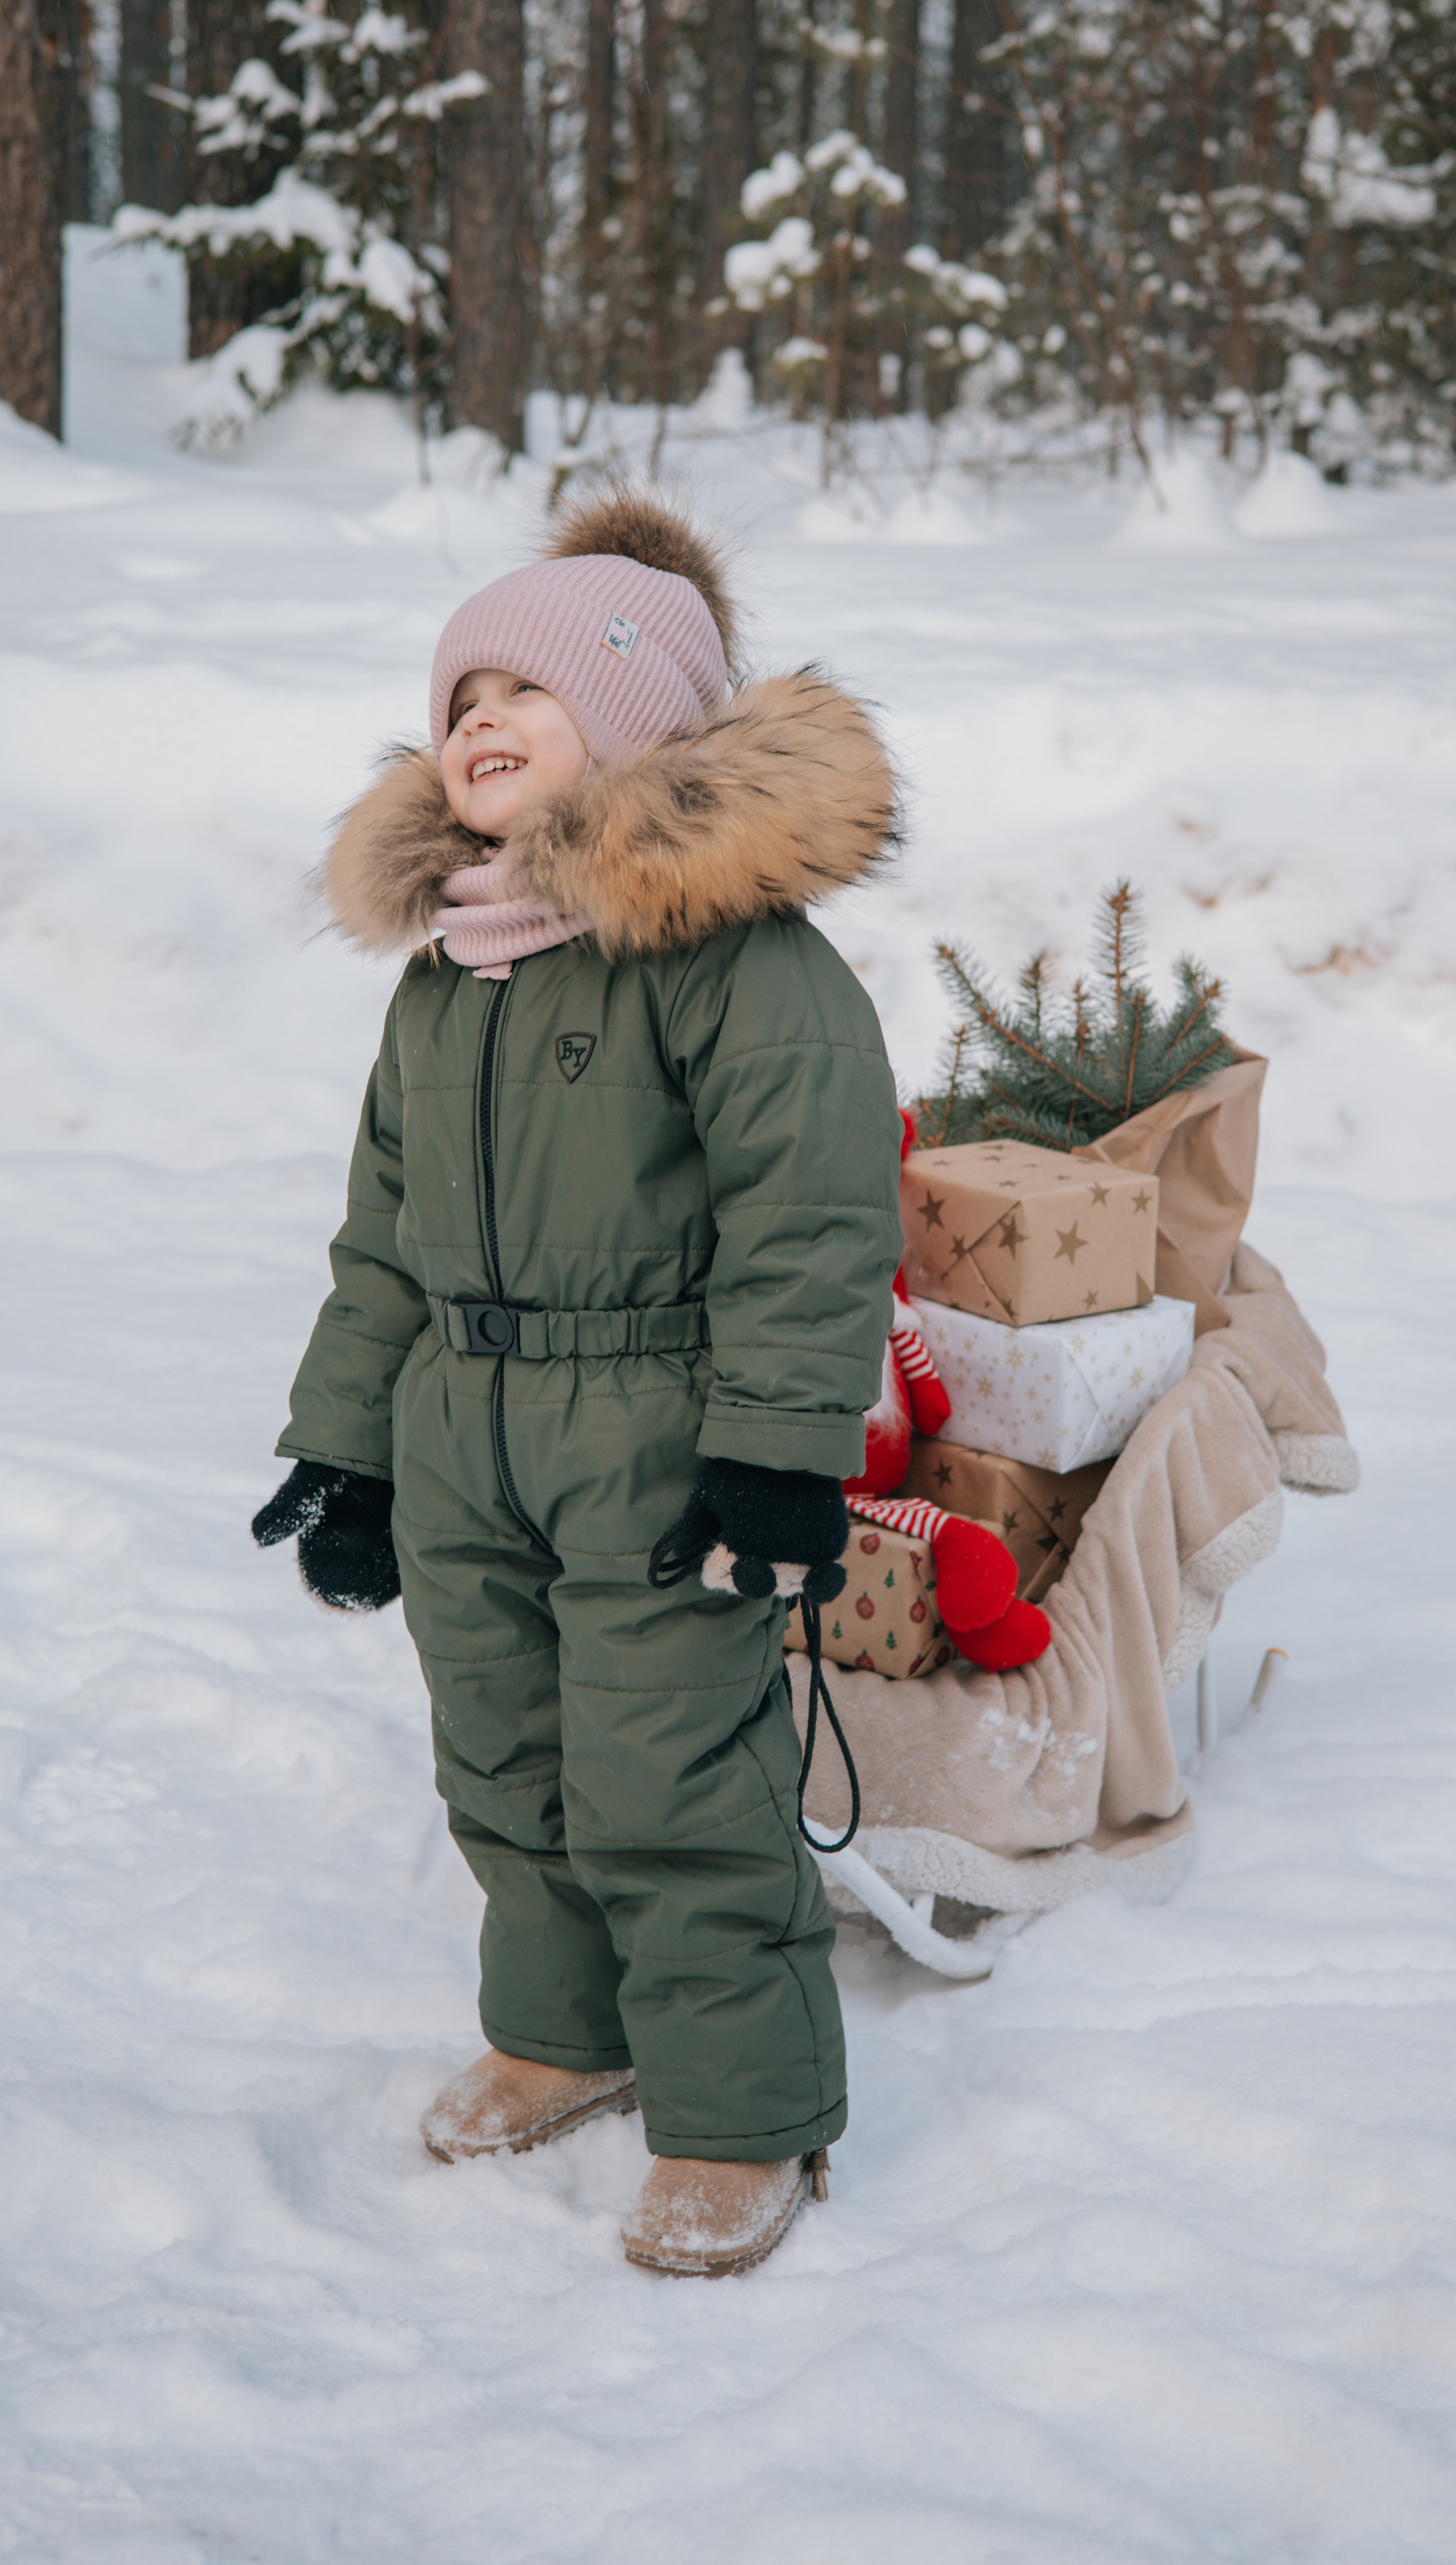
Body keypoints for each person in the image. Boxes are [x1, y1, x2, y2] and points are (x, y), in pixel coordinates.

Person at [252, 491, 903, 2275]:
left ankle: (741, 2116)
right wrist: (352, 1448)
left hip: (652, 1430)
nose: (474, 721)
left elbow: (812, 1219)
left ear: (634, 730)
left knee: (668, 1772)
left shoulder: (738, 968)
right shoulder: (445, 980)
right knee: (504, 1755)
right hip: (463, 1428)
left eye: (519, 693)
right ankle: (567, 2025)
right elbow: (382, 1232)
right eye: (457, 694)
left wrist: (779, 1456)